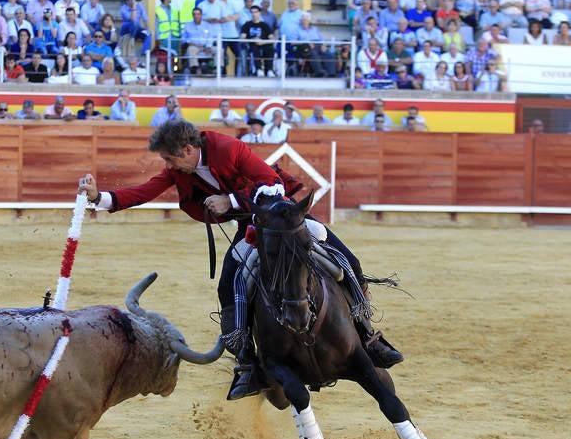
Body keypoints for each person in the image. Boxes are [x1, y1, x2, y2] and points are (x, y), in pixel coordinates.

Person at [77, 120, 404, 401]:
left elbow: (273, 184)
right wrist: (98, 198)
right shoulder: (180, 170)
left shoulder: (227, 148)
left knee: (348, 260)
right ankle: (248, 362)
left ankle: (368, 337)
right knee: (228, 285)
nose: (168, 165)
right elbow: (145, 191)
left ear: (188, 149)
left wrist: (229, 199)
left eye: (170, 158)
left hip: (282, 216)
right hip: (251, 226)